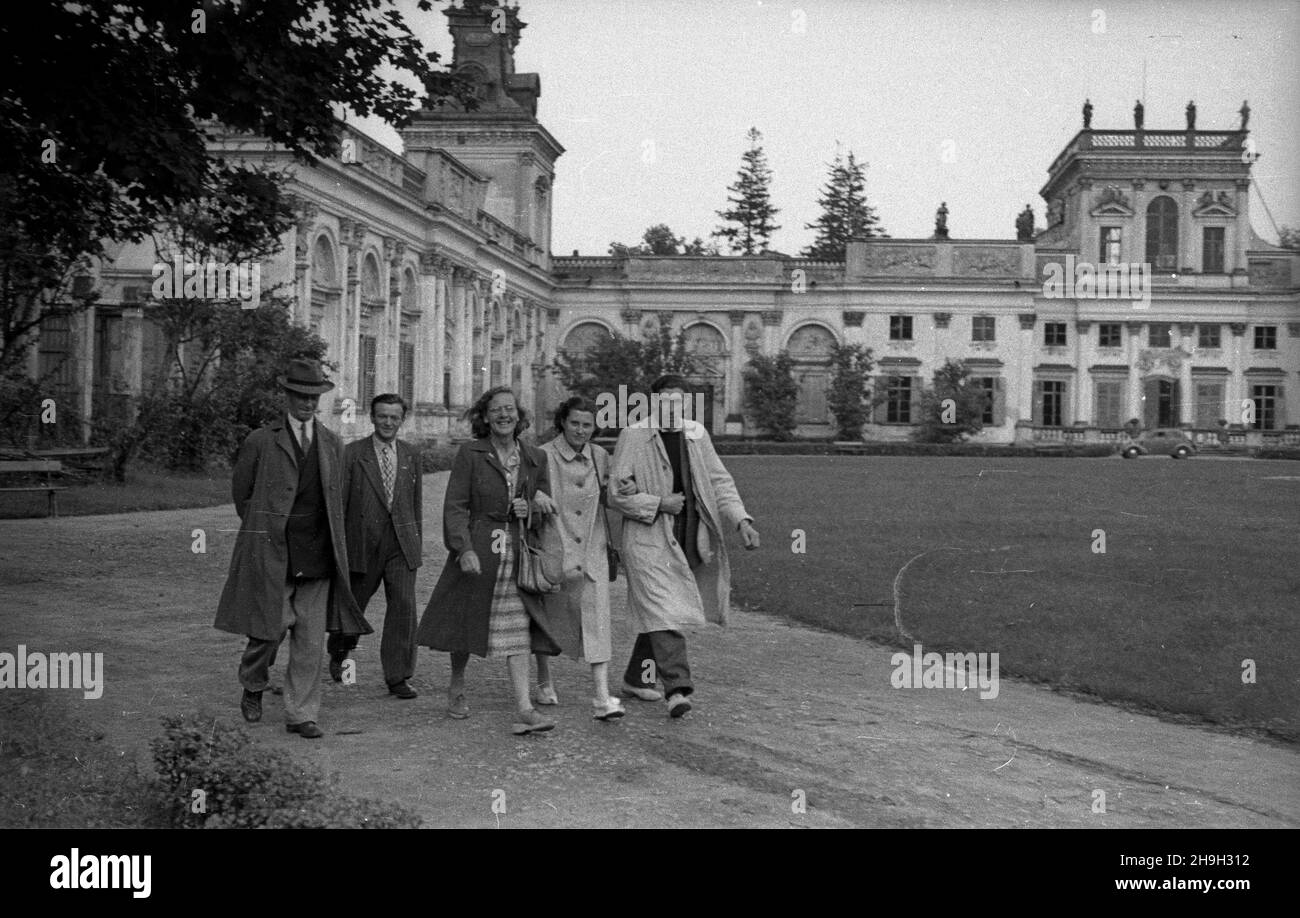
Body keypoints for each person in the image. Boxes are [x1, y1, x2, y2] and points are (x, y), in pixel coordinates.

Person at [214, 357, 370, 739]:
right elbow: (243, 494)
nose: (306, 402)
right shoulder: (261, 440)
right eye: (299, 395)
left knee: (310, 640)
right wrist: (264, 530)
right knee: (269, 630)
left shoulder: (332, 443)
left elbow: (338, 500)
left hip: (318, 553)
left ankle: (301, 713)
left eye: (313, 396)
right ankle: (253, 684)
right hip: (274, 553)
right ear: (286, 395)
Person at [607, 375, 760, 718]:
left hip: (690, 535)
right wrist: (658, 503)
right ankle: (677, 688)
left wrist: (741, 520)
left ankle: (635, 677)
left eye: (678, 402)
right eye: (665, 401)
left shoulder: (696, 434)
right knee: (663, 608)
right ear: (653, 403)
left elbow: (720, 481)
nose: (672, 408)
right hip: (647, 538)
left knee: (658, 609)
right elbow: (616, 494)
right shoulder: (634, 435)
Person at [415, 386, 565, 735]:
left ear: (519, 415)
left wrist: (531, 510)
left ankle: (525, 708)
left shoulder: (534, 458)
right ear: (485, 416)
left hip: (518, 553)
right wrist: (463, 548)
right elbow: (455, 506)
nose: (503, 416)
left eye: (509, 409)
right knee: (466, 622)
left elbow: (546, 511)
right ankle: (456, 684)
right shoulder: (470, 454)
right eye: (496, 410)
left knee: (518, 628)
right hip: (479, 550)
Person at [533, 396, 626, 721]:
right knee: (548, 617)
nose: (581, 430)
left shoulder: (600, 456)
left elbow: (616, 494)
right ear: (562, 422)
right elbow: (525, 492)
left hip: (593, 548)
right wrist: (536, 495)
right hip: (555, 545)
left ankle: (601, 697)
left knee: (597, 619)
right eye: (575, 423)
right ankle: (544, 680)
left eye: (587, 425)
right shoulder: (543, 455)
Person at [327, 393, 423, 699]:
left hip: (400, 544)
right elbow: (339, 503)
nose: (388, 422)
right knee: (353, 607)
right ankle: (340, 650)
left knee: (404, 608)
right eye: (383, 416)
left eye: (394, 417)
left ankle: (398, 676)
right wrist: (340, 548)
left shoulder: (411, 455)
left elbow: (415, 504)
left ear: (401, 419)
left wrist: (414, 543)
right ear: (372, 417)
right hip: (363, 544)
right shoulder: (353, 453)